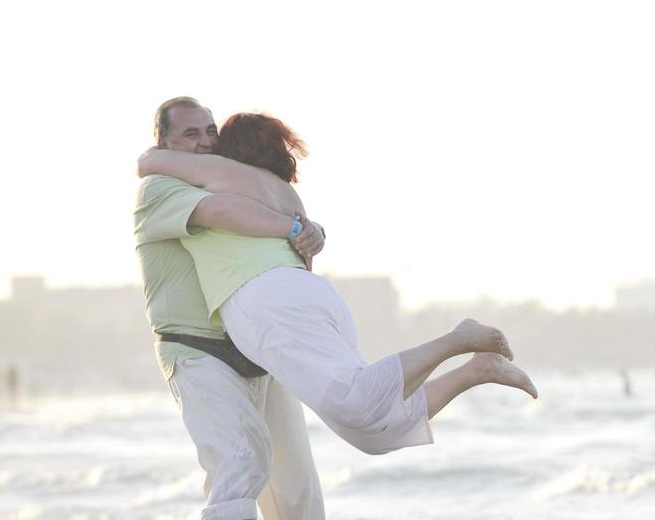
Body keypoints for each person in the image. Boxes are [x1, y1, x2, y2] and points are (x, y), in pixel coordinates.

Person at [138, 111, 537, 458]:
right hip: (314, 295)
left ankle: (455, 340)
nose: (209, 144)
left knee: (356, 405)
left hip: (267, 299)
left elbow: (149, 162)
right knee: (373, 433)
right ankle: (475, 370)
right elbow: (306, 255)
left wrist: (157, 151)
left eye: (214, 137)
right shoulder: (288, 194)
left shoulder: (225, 174)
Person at [135, 97, 330, 520]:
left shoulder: (232, 181)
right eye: (190, 136)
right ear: (165, 145)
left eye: (209, 132)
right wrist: (293, 227)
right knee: (242, 457)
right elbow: (221, 214)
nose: (204, 142)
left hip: (261, 347)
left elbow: (281, 231)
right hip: (196, 348)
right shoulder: (162, 190)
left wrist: (312, 231)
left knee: (296, 480)